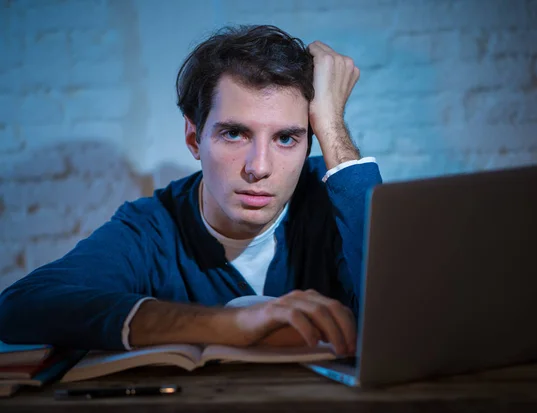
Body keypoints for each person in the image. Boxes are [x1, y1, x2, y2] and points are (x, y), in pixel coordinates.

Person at [0, 25, 382, 356]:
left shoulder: (334, 199)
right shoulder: (153, 227)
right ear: (194, 138)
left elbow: (400, 312)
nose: (259, 168)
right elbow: (19, 307)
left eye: (286, 138)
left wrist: (332, 125)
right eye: (234, 133)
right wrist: (230, 324)